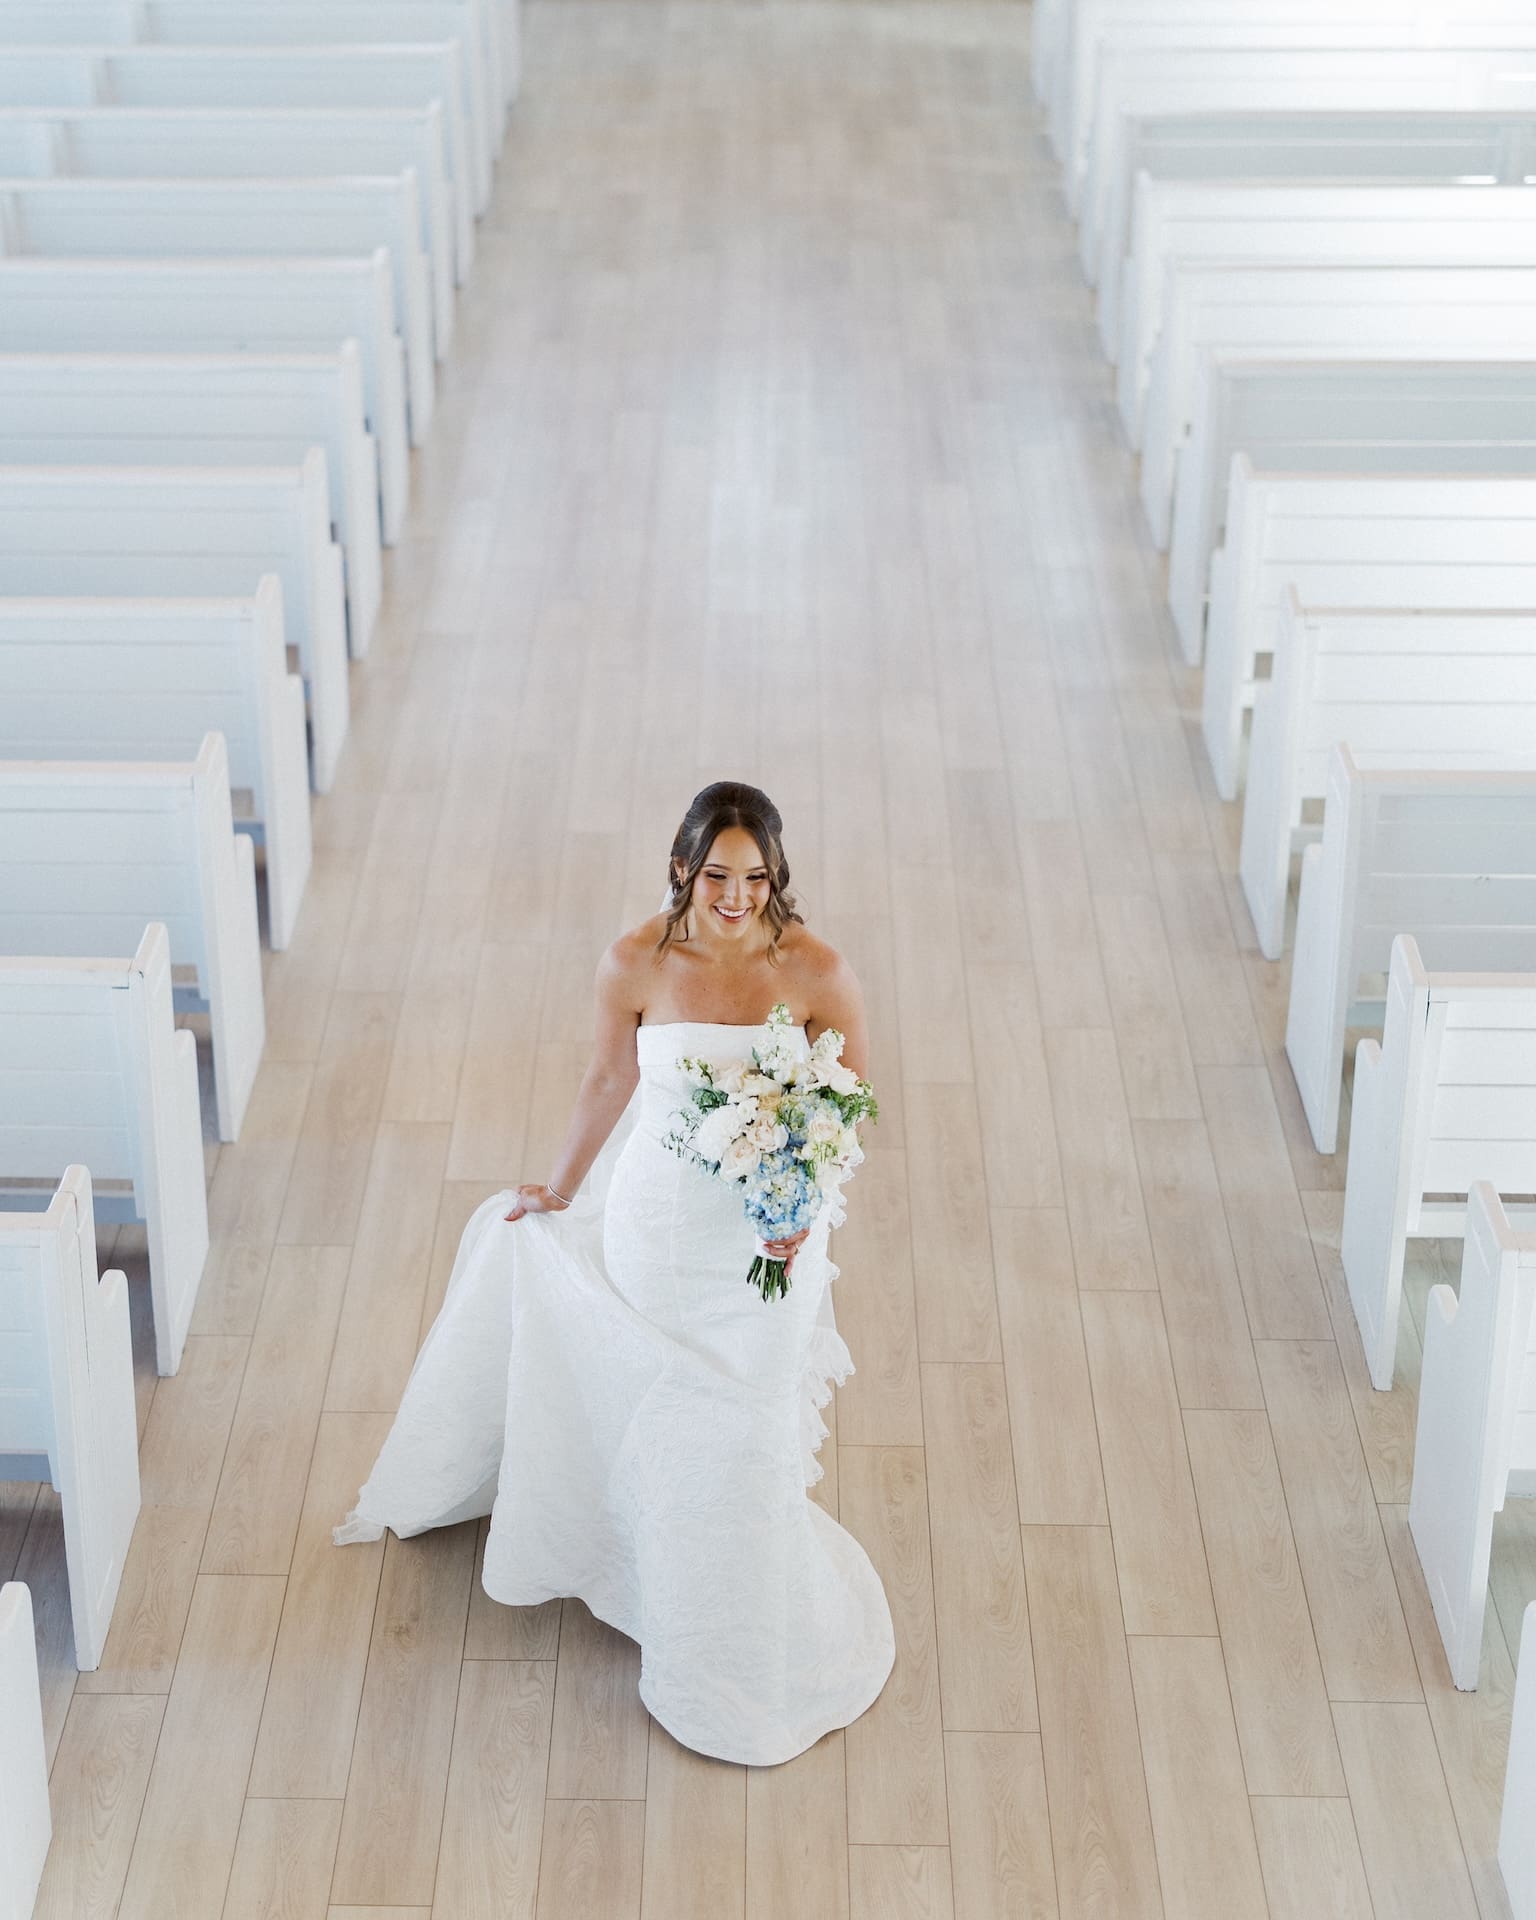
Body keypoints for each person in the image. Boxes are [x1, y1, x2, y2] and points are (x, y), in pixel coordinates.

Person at [335, 781, 895, 1766]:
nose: (736, 897)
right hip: (662, 1230)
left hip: (766, 1242)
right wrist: (555, 1188)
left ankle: (749, 1630)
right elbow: (608, 1078)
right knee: (675, 1414)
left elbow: (845, 1101)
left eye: (755, 878)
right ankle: (673, 1606)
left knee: (748, 1417)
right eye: (717, 876)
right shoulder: (636, 959)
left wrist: (798, 1212)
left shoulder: (816, 969)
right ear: (682, 869)